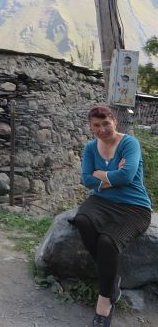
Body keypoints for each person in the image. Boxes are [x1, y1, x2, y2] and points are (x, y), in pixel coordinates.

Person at [73, 105, 152, 327]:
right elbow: (86, 179)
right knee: (82, 220)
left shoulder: (129, 143)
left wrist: (101, 175)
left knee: (107, 242)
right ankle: (112, 279)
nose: (102, 129)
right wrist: (111, 177)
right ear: (91, 127)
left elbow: (127, 177)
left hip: (134, 207)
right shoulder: (90, 148)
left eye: (106, 123)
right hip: (101, 202)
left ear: (114, 122)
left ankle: (104, 302)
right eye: (96, 125)